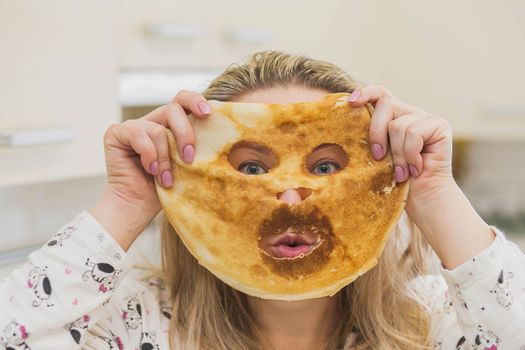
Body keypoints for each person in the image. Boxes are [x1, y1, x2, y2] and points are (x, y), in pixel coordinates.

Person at [1, 51, 524, 350]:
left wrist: (434, 192)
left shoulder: (428, 321)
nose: (290, 193)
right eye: (250, 167)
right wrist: (125, 201)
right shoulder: (135, 324)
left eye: (326, 166)